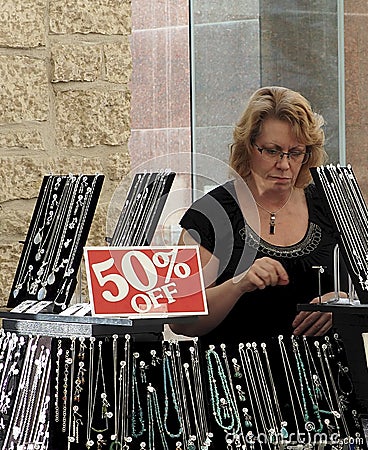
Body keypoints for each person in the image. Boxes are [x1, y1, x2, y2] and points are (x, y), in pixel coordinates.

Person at [170, 86, 346, 345]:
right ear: (248, 147)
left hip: (326, 379)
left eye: (296, 153)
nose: (284, 164)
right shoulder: (211, 212)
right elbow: (180, 320)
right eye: (272, 151)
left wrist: (343, 303)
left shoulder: (332, 204)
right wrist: (238, 285)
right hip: (236, 379)